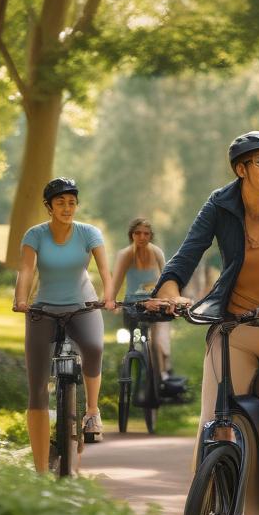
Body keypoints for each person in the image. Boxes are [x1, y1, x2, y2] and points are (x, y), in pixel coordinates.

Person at [149, 131, 259, 485]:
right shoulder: (220, 204)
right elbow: (187, 254)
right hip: (236, 329)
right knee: (213, 424)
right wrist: (171, 293)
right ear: (240, 169)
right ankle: (209, 499)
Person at [13, 177, 116, 471]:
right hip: (43, 308)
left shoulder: (88, 233)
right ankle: (41, 471)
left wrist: (108, 296)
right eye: (60, 203)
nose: (67, 208)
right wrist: (22, 299)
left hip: (82, 305)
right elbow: (26, 269)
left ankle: (92, 411)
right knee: (37, 388)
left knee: (94, 347)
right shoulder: (35, 235)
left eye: (71, 202)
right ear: (49, 207)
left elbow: (104, 270)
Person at [112, 217, 171, 378]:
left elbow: (166, 280)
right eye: (137, 233)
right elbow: (116, 281)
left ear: (151, 236)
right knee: (131, 342)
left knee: (157, 342)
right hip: (133, 304)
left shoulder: (157, 252)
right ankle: (128, 374)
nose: (142, 237)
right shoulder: (125, 255)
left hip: (155, 303)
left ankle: (161, 376)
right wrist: (111, 300)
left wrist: (169, 299)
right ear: (131, 235)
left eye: (146, 234)